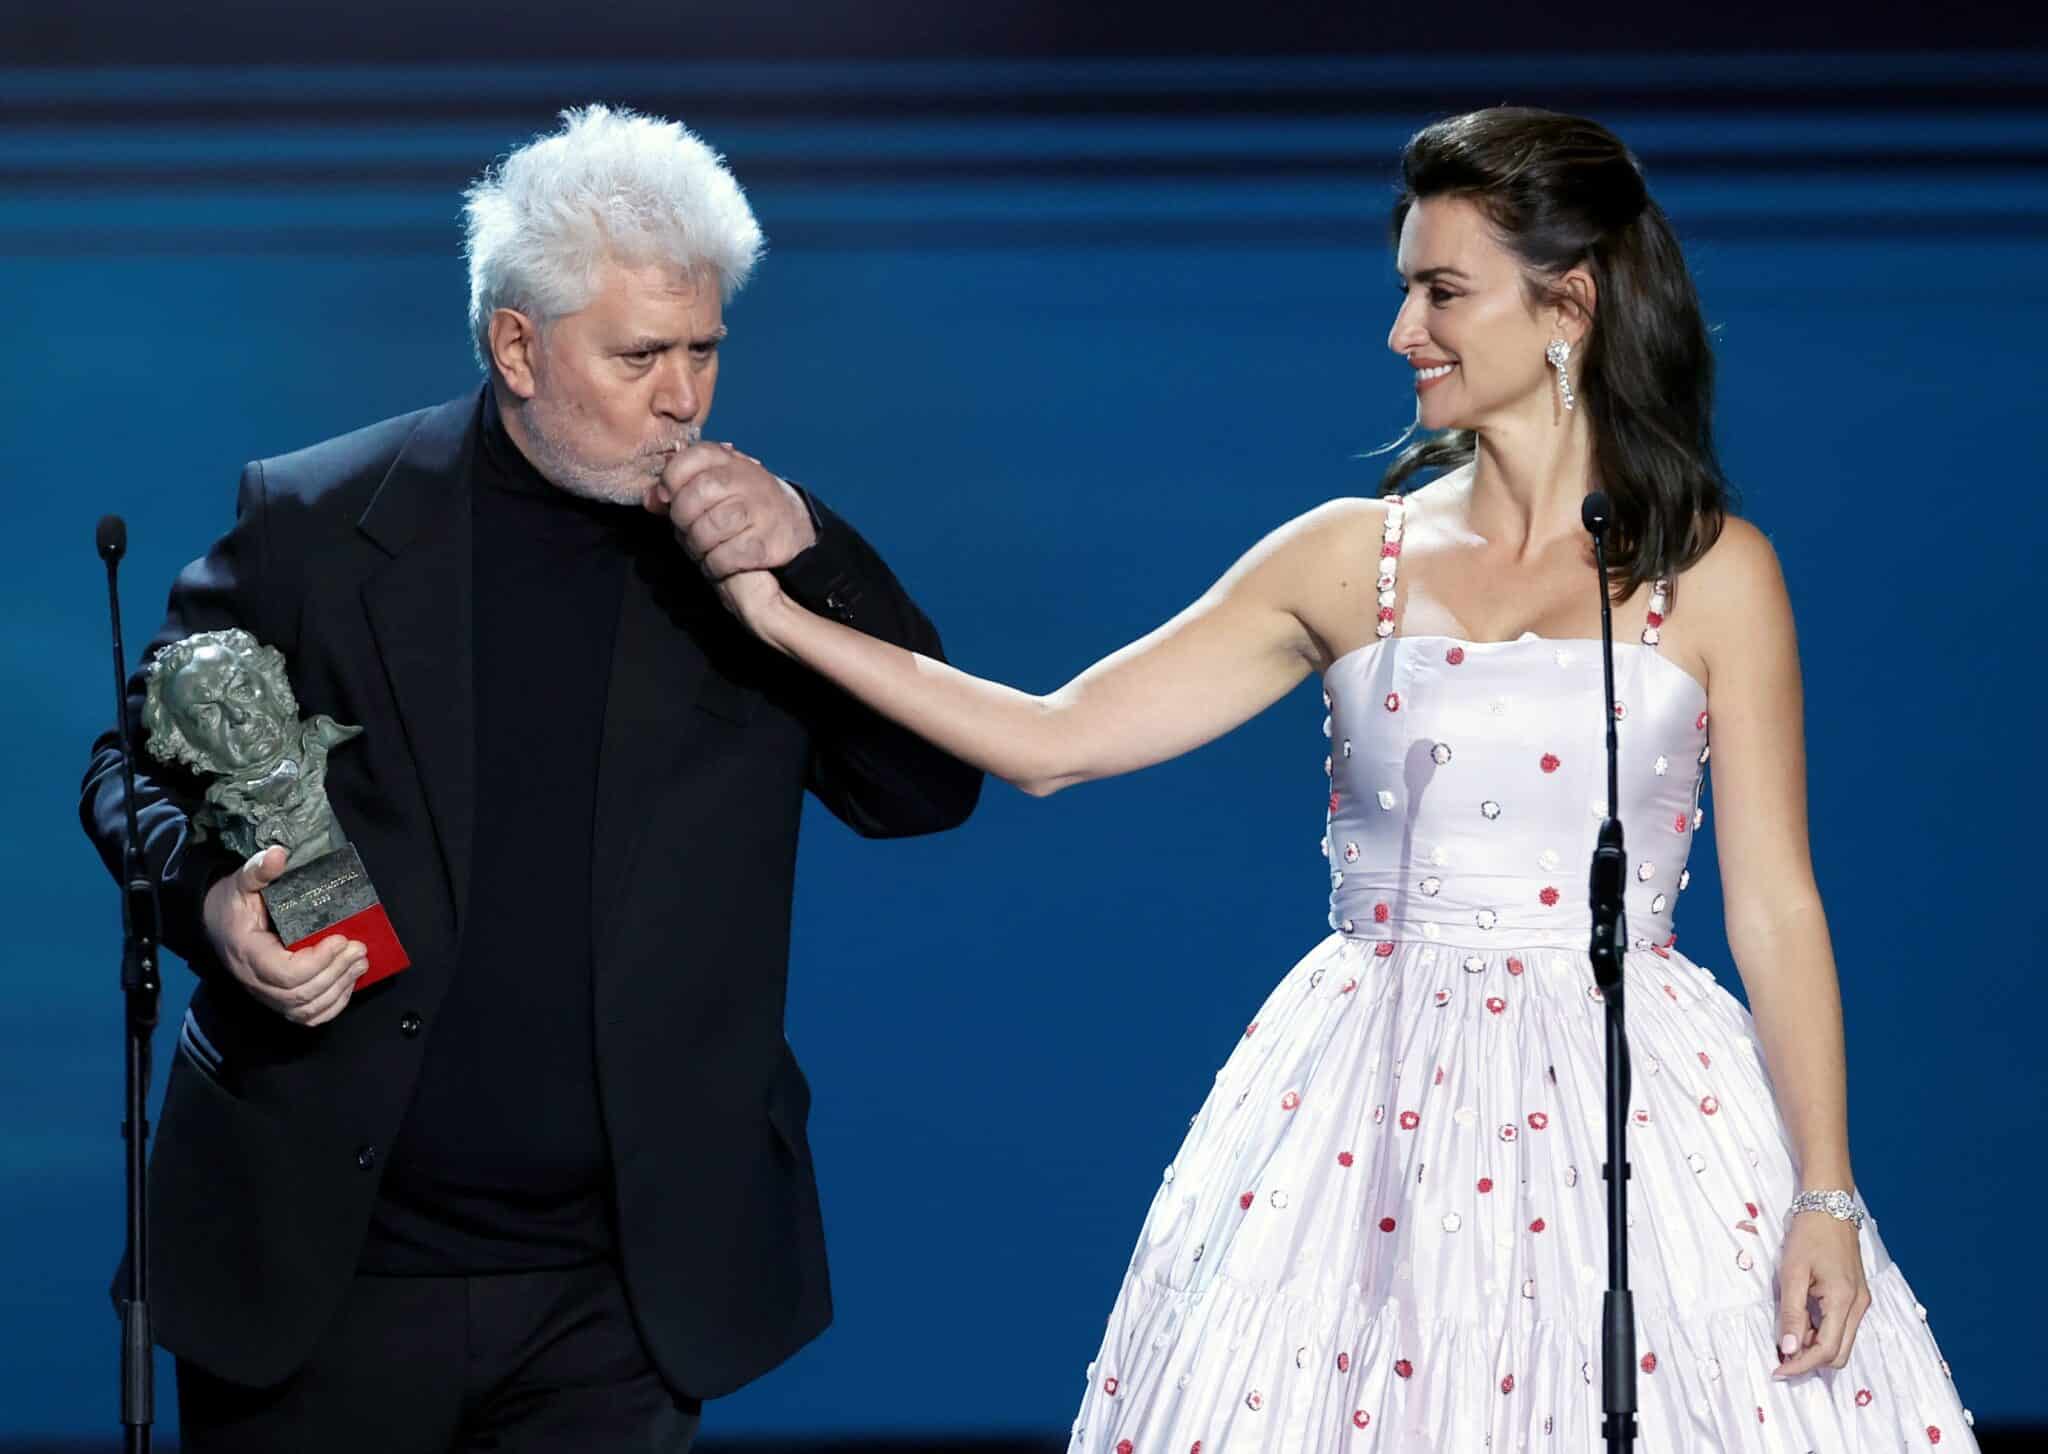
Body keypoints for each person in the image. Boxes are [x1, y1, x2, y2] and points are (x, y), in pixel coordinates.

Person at [670, 108, 1977, 1450]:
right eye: (1407, 287)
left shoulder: (1715, 574)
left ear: (1568, 303)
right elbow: (1050, 739)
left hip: (1638, 1110)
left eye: (1444, 291)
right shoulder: (1352, 558)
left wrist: (1828, 1193)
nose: (1404, 330)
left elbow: (1776, 907)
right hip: (1373, 1115)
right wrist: (786, 622)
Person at [79, 104, 980, 1454]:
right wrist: (213, 904)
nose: (684, 395)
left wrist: (817, 555)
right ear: (517, 345)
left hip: (615, 1293)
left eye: (705, 351)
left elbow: (927, 786)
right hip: (324, 1258)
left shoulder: (756, 562)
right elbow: (128, 764)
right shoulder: (322, 522)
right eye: (640, 356)